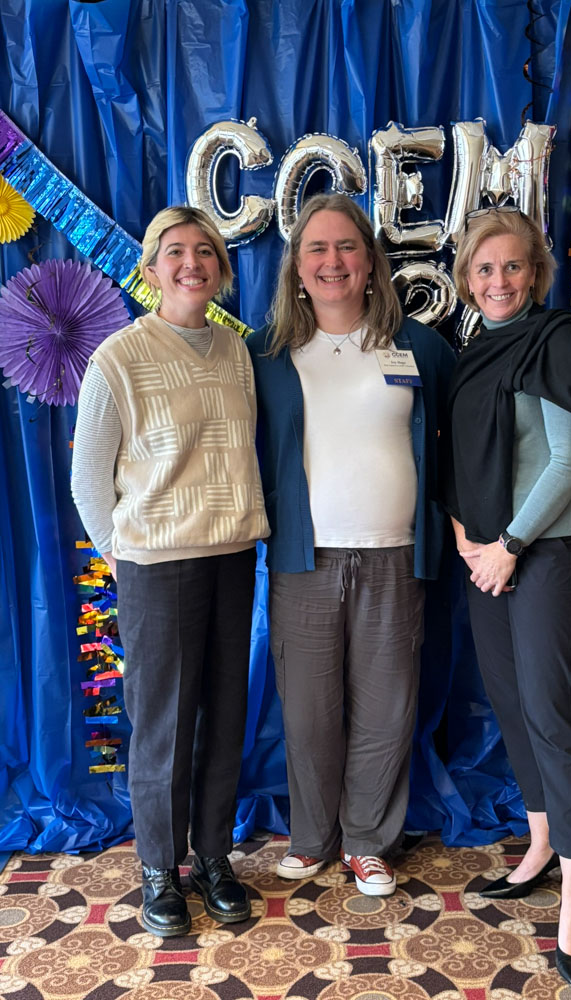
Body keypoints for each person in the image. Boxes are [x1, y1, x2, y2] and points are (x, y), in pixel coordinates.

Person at [247, 193, 455, 897]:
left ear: (370, 260)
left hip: (396, 555)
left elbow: (456, 448)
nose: (331, 261)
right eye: (317, 249)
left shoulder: (420, 346)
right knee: (307, 714)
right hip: (304, 561)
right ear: (297, 267)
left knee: (387, 708)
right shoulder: (265, 354)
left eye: (345, 247)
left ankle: (368, 842)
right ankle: (312, 837)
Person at [71, 206, 269, 937]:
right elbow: (89, 479)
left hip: (231, 556)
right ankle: (159, 866)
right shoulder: (119, 357)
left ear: (219, 267)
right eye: (174, 252)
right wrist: (121, 555)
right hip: (157, 566)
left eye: (205, 251)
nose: (192, 263)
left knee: (223, 719)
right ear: (150, 270)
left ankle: (212, 858)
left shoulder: (237, 352)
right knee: (161, 724)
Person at [444, 205, 571, 986]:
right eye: (484, 269)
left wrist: (508, 547)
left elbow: (567, 463)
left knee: (553, 712)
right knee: (511, 702)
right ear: (466, 279)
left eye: (512, 266)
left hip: (545, 549)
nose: (498, 281)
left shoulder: (560, 343)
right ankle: (543, 843)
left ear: (538, 272)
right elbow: (455, 455)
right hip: (485, 554)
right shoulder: (474, 351)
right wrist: (467, 541)